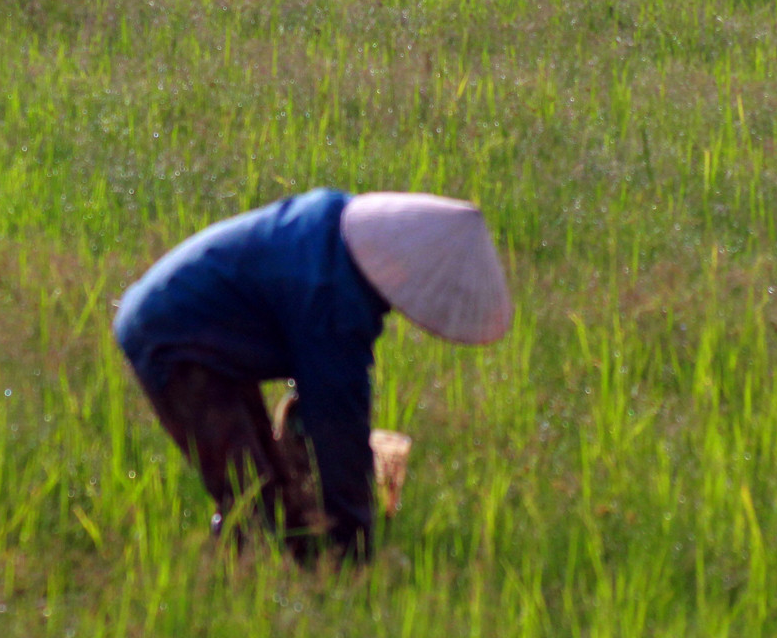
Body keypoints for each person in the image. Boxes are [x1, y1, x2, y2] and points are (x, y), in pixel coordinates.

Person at [113, 190, 511, 563]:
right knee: (252, 499)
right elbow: (337, 421)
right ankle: (232, 593)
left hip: (195, 330)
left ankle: (267, 578)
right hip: (171, 336)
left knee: (270, 493)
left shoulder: (337, 236)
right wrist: (355, 544)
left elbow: (332, 396)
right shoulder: (332, 292)